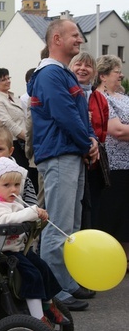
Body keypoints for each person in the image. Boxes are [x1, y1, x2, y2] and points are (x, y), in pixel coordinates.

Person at [27, 19, 99, 311]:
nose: (79, 40)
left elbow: (79, 115)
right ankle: (54, 290)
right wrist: (88, 143)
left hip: (69, 153)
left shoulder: (61, 74)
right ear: (57, 38)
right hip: (60, 154)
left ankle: (65, 282)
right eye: (74, 35)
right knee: (58, 224)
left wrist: (90, 140)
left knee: (69, 224)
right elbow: (65, 115)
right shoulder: (50, 74)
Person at [0, 157, 68, 331]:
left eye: (16, 184)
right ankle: (39, 318)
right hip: (0, 253)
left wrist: (37, 214)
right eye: (6, 185)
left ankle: (48, 304)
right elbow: (7, 220)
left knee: (43, 267)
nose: (13, 189)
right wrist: (30, 212)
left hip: (15, 248)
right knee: (31, 275)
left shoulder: (12, 201)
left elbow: (21, 213)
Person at [95, 55, 129, 270]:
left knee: (127, 214)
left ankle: (126, 258)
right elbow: (116, 130)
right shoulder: (101, 98)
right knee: (114, 213)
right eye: (117, 71)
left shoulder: (123, 97)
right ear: (103, 76)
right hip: (113, 164)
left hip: (128, 164)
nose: (122, 75)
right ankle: (113, 260)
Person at [69, 52, 109, 228]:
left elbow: (103, 131)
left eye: (88, 66)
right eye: (78, 64)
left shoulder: (99, 98)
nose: (83, 69)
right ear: (70, 68)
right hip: (70, 157)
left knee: (91, 211)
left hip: (93, 162)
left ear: (94, 72)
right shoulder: (65, 92)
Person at [0, 67, 31, 175]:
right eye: (3, 80)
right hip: (14, 143)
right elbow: (9, 123)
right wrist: (29, 138)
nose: (8, 81)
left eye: (8, 78)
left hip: (24, 142)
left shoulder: (14, 98)